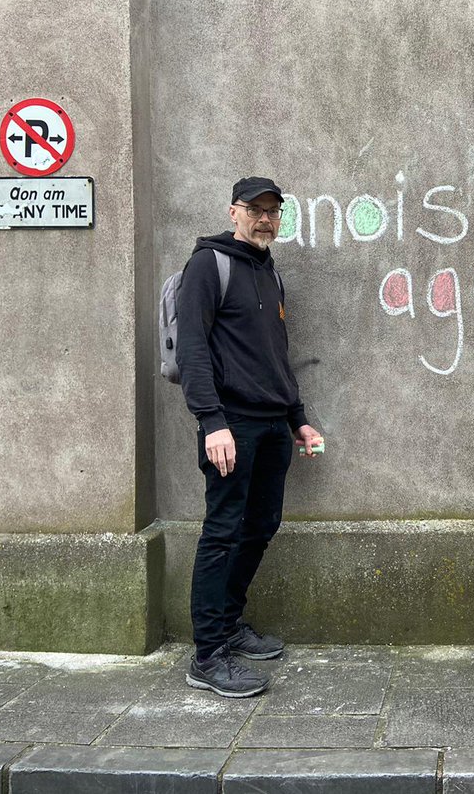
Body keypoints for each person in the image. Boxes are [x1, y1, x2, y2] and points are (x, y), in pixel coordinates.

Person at [176, 175, 324, 698]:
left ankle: (229, 622)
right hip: (230, 424)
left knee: (261, 525)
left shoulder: (270, 273)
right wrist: (211, 422)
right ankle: (207, 655)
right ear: (233, 212)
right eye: (254, 209)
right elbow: (192, 349)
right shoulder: (207, 266)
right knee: (222, 531)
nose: (265, 218)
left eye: (273, 211)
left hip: (270, 425)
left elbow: (274, 355)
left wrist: (297, 417)